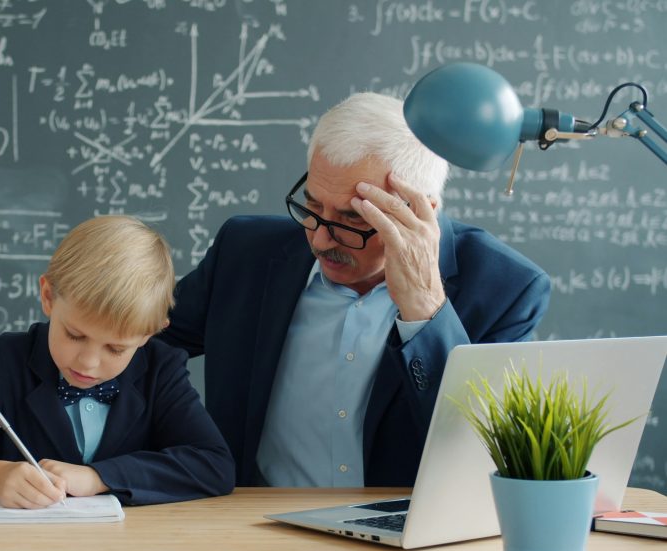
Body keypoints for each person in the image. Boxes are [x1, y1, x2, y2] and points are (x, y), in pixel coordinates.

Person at [157, 92, 551, 487]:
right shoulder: (244, 254)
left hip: (408, 534)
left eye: (352, 218)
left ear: (421, 211)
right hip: (253, 525)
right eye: (313, 207)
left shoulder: (506, 289)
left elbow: (495, 449)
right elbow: (133, 343)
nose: (320, 240)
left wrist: (426, 309)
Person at [0, 216, 235, 507]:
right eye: (75, 335)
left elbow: (214, 466)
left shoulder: (161, 369)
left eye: (116, 349)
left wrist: (98, 478)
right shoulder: (4, 360)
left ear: (150, 333)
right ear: (48, 297)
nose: (88, 363)